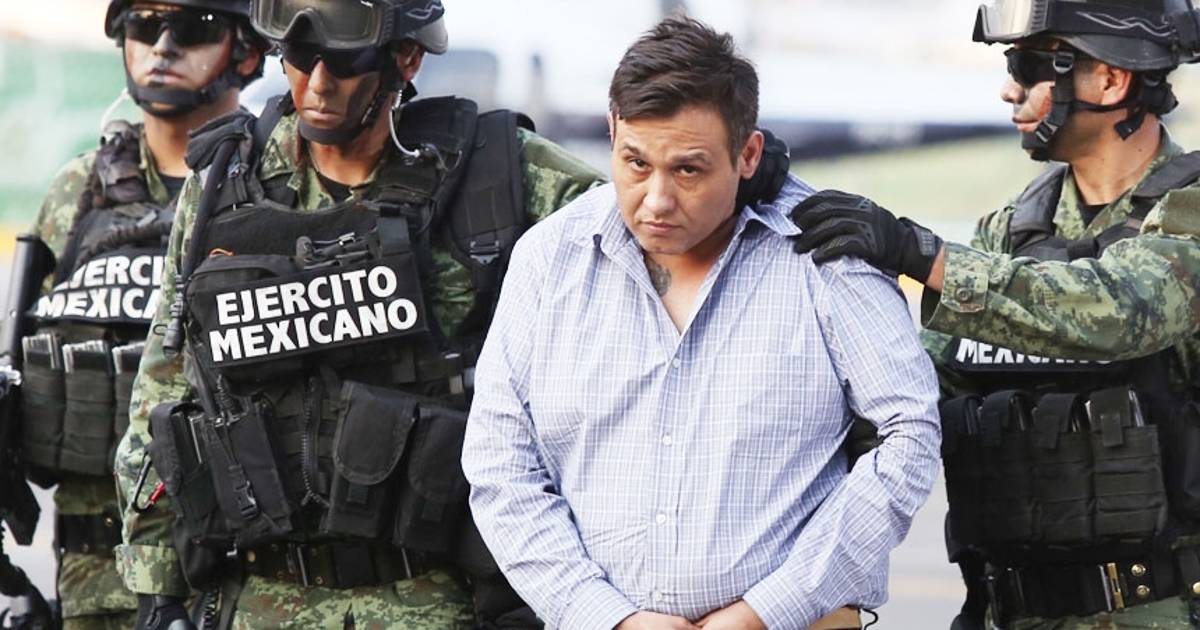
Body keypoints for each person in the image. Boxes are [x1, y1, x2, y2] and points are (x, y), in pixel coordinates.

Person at [111, 0, 612, 627]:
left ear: (406, 59)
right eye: (301, 57)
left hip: (434, 597)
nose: (317, 84)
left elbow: (649, 225)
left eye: (343, 62)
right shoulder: (225, 183)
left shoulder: (493, 171)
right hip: (262, 596)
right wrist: (157, 587)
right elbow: (165, 384)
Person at [462, 16, 941, 630]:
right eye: (636, 163)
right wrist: (606, 616)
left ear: (748, 154)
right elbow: (501, 463)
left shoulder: (829, 255)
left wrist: (769, 610)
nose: (657, 200)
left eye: (688, 169)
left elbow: (910, 433)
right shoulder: (549, 260)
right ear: (612, 132)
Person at [792, 0, 1200, 627]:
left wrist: (921, 254)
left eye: (1031, 67)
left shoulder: (1187, 215)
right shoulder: (1009, 234)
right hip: (1005, 610)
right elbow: (913, 394)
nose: (1010, 90)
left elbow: (1121, 307)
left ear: (1111, 79)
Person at [17, 1, 266, 628]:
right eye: (144, 25)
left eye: (194, 29)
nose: (162, 46)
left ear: (249, 53)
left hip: (241, 580)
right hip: (93, 581)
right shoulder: (78, 192)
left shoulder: (273, 185)